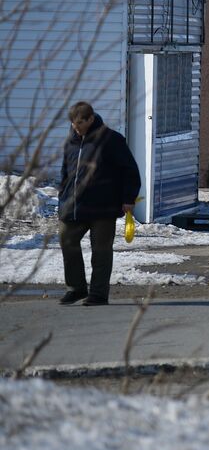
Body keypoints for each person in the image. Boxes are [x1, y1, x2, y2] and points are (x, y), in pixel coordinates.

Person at [57, 101, 141, 307]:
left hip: (103, 207)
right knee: (67, 241)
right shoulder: (71, 141)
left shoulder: (111, 140)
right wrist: (62, 196)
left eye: (80, 123)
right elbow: (65, 172)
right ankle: (76, 288)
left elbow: (130, 171)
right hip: (74, 205)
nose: (76, 128)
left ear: (91, 119)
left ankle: (98, 294)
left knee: (101, 251)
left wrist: (128, 199)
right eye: (73, 124)